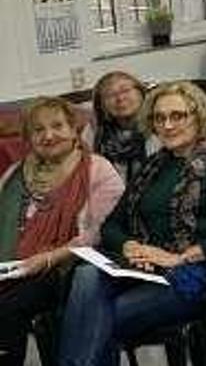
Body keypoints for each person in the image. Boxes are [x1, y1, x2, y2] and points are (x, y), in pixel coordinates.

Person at [59, 82, 206, 366]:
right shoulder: (153, 166)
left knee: (95, 317)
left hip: (196, 275)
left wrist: (180, 257)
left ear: (198, 116)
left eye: (178, 116)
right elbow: (112, 225)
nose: (167, 125)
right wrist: (130, 245)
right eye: (159, 118)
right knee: (87, 277)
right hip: (144, 268)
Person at [0, 98, 125, 366]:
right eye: (38, 129)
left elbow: (98, 235)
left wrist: (46, 259)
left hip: (68, 268)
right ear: (28, 137)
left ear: (73, 129)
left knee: (7, 309)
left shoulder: (97, 169)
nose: (48, 135)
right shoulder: (15, 174)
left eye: (57, 126)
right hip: (14, 267)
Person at [90, 71, 157, 183]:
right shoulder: (93, 133)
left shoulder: (160, 126)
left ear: (141, 93)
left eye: (125, 90)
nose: (120, 98)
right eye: (110, 95)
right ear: (101, 105)